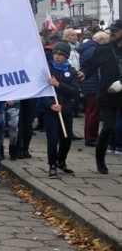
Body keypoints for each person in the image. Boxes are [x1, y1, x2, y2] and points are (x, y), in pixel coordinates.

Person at [77, 20, 122, 175]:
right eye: (111, 30)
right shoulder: (104, 50)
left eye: (116, 30)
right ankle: (100, 159)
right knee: (108, 127)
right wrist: (84, 72)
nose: (112, 33)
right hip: (106, 94)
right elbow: (90, 65)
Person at [41, 42, 80, 179]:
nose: (57, 57)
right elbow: (42, 91)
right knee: (52, 140)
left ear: (66, 56)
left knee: (66, 139)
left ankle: (61, 161)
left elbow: (75, 91)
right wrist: (51, 104)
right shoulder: (48, 70)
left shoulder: (72, 72)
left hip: (66, 111)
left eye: (60, 55)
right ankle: (52, 165)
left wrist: (58, 84)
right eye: (55, 54)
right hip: (51, 112)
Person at [77, 31, 109, 147]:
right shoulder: (94, 50)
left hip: (88, 83)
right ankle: (91, 137)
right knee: (94, 112)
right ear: (100, 39)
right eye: (106, 41)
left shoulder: (87, 47)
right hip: (93, 84)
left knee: (90, 111)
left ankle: (89, 136)